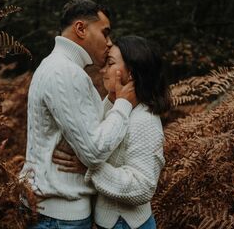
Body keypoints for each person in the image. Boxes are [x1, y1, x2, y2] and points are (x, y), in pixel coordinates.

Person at [19, 0, 137, 229]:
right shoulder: (65, 72)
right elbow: (93, 151)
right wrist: (124, 104)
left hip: (54, 213)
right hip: (60, 216)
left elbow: (87, 134)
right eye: (105, 33)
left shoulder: (57, 66)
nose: (109, 43)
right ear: (81, 28)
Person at [53, 35, 171, 229]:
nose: (103, 69)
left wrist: (90, 167)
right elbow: (97, 136)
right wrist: (113, 98)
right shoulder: (116, 108)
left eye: (110, 63)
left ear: (131, 73)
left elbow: (143, 187)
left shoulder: (144, 120)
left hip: (127, 224)